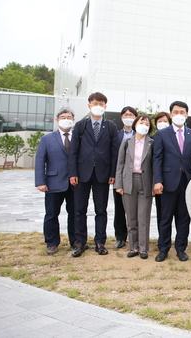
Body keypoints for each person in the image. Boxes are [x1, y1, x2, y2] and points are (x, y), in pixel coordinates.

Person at [153, 101, 191, 262]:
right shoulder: (162, 134)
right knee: (165, 218)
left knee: (183, 218)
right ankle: (163, 249)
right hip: (167, 182)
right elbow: (157, 159)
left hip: (187, 182)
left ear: (187, 115)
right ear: (171, 114)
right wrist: (157, 181)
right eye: (176, 112)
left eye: (182, 112)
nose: (179, 115)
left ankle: (181, 249)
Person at [69, 92, 119, 257]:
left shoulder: (111, 126)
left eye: (102, 103)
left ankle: (100, 242)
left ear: (105, 106)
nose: (98, 106)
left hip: (102, 174)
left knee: (101, 210)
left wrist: (112, 173)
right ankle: (80, 242)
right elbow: (73, 151)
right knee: (79, 210)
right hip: (82, 173)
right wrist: (73, 172)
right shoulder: (80, 125)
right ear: (89, 105)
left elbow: (114, 152)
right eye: (95, 103)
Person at [35, 107, 77, 255]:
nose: (66, 119)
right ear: (57, 120)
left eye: (69, 117)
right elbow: (40, 161)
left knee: (75, 213)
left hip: (74, 183)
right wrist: (40, 181)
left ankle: (75, 240)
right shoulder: (47, 139)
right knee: (52, 214)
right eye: (63, 117)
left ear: (73, 119)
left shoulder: (78, 137)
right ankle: (52, 242)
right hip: (53, 182)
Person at [115, 115, 154, 260]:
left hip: (145, 182)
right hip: (128, 181)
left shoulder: (152, 143)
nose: (144, 124)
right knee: (131, 217)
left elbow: (154, 166)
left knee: (143, 217)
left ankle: (144, 248)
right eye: (141, 122)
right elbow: (120, 164)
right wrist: (118, 184)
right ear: (135, 124)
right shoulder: (126, 142)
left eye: (147, 123)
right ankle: (133, 246)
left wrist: (154, 184)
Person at [113, 106, 138, 249]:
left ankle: (136, 237)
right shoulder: (115, 135)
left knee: (136, 209)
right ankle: (121, 237)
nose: (128, 117)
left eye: (131, 115)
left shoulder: (142, 134)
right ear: (122, 117)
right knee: (119, 208)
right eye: (126, 115)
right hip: (120, 176)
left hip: (138, 176)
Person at [152, 111, 170, 234]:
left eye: (165, 121)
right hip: (158, 179)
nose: (162, 123)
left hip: (171, 178)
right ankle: (162, 238)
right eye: (159, 121)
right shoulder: (151, 139)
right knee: (161, 212)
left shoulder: (173, 138)